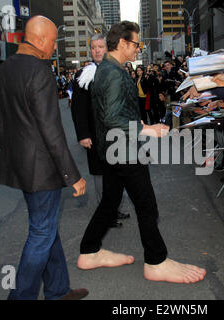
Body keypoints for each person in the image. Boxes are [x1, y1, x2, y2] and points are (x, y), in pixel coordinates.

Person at [76, 21, 206, 284]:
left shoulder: (108, 69)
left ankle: (89, 250)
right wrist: (147, 129)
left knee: (110, 202)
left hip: (113, 149)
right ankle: (156, 261)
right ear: (122, 43)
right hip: (122, 148)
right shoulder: (112, 72)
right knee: (146, 205)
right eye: (136, 44)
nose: (138, 49)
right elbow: (113, 118)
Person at [0, 15, 88, 300]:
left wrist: (15, 154)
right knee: (41, 234)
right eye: (54, 40)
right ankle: (20, 297)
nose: (55, 46)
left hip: (22, 167)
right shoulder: (40, 71)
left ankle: (58, 291)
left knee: (45, 228)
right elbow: (51, 130)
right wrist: (73, 175)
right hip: (42, 170)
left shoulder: (4, 70)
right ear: (42, 39)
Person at [71, 34, 129, 228]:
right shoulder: (84, 74)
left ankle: (114, 208)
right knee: (100, 175)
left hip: (115, 133)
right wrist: (83, 135)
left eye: (100, 47)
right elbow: (77, 109)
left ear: (107, 49)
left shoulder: (115, 70)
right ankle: (106, 213)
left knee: (117, 172)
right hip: (95, 135)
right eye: (94, 47)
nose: (97, 50)